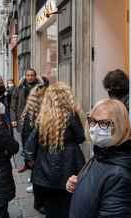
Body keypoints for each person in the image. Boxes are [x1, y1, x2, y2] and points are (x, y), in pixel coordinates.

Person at [66, 99, 131, 217]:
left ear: (119, 125)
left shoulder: (120, 176)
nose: (95, 128)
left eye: (104, 123)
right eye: (93, 121)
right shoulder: (103, 152)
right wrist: (79, 184)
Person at [29, 82, 86, 218]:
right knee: (68, 196)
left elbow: (35, 138)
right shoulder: (71, 115)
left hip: (47, 159)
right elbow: (81, 138)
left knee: (51, 198)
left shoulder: (43, 115)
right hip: (70, 159)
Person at [20, 84, 47, 214]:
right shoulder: (31, 114)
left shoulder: (44, 111)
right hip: (36, 153)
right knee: (38, 179)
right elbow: (27, 137)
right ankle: (39, 204)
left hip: (41, 152)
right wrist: (30, 157)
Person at [10, 69, 43, 136]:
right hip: (23, 117)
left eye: (32, 75)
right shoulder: (19, 88)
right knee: (24, 138)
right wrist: (13, 119)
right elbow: (13, 105)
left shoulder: (41, 88)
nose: (30, 77)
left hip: (36, 117)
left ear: (35, 76)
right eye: (28, 75)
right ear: (25, 76)